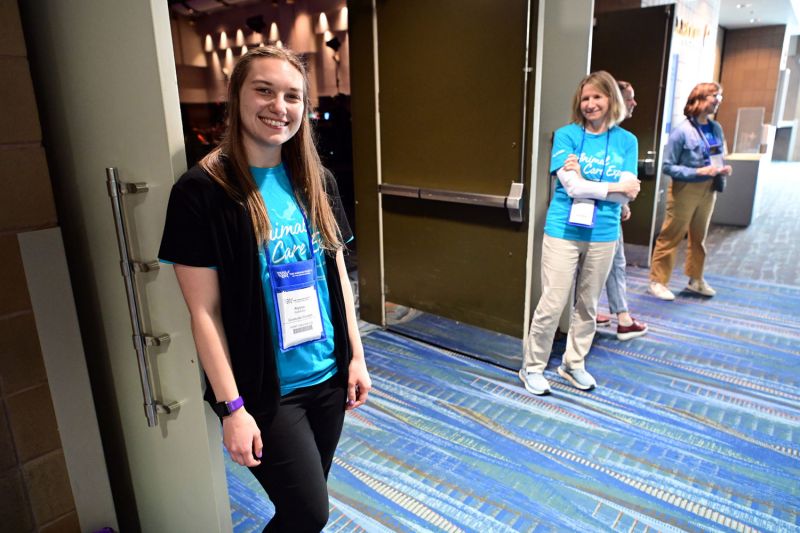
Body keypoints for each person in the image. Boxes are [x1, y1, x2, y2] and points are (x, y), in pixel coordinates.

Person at [158, 46, 371, 532]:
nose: (280, 106)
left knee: (303, 505)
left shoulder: (315, 180)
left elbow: (336, 271)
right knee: (309, 513)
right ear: (236, 97)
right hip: (265, 391)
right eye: (264, 90)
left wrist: (356, 357)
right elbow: (204, 313)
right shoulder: (200, 192)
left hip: (328, 376)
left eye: (292, 96)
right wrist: (232, 408)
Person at [519, 71, 641, 396]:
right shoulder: (566, 136)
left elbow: (625, 197)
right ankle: (532, 367)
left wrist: (602, 188)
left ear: (611, 99)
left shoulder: (627, 141)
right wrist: (616, 187)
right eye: (585, 98)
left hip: (604, 233)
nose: (590, 104)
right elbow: (572, 187)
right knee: (553, 300)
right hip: (563, 229)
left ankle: (573, 363)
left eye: (597, 97)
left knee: (588, 304)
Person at [648, 82, 732, 301]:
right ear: (700, 98)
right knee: (671, 235)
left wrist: (722, 167)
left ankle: (696, 279)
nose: (718, 101)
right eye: (715, 95)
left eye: (719, 96)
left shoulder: (716, 128)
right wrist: (697, 171)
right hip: (685, 189)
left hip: (710, 188)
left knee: (699, 237)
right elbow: (667, 166)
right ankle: (658, 281)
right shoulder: (682, 131)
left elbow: (718, 154)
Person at [596, 80, 648, 341]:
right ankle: (621, 318)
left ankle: (618, 316)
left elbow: (625, 182)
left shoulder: (624, 140)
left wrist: (623, 202)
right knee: (604, 265)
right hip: (586, 214)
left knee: (614, 263)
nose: (634, 104)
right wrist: (620, 196)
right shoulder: (586, 136)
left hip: (610, 212)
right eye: (630, 98)